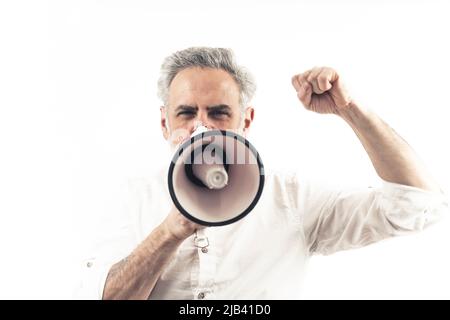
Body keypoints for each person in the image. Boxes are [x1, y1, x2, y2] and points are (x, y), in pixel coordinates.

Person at [78, 47, 447, 300]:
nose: (202, 129)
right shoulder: (133, 196)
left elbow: (417, 204)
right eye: (186, 113)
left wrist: (349, 109)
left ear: (246, 120)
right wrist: (171, 229)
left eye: (220, 113)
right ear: (164, 123)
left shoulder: (292, 197)